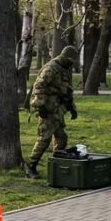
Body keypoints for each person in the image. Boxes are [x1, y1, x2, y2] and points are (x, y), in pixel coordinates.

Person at [24, 46, 78, 178]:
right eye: (70, 61)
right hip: (48, 109)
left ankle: (58, 164)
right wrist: (40, 106)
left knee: (61, 137)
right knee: (45, 138)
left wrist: (72, 108)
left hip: (57, 110)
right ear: (64, 58)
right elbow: (39, 86)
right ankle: (31, 166)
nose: (71, 64)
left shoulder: (64, 69)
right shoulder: (51, 68)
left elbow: (66, 90)